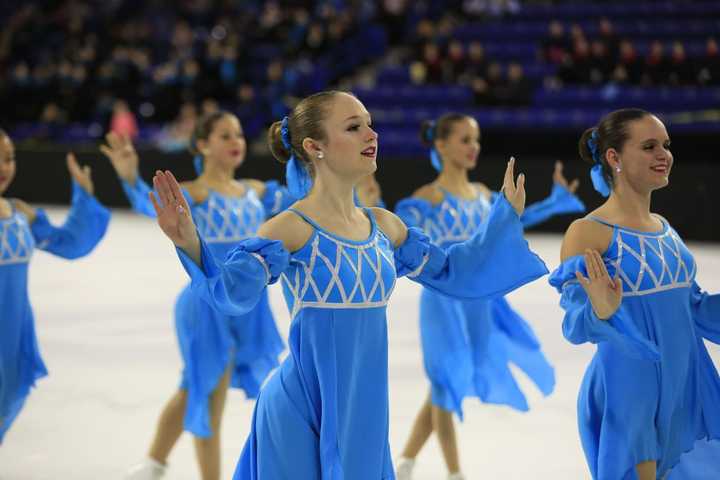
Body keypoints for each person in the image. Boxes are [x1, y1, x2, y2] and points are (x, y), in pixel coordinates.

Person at [148, 90, 548, 479]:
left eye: (370, 125)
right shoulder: (291, 227)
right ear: (314, 146)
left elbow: (456, 271)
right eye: (354, 127)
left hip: (364, 418)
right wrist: (190, 243)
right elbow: (233, 292)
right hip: (301, 410)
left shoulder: (386, 227)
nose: (371, 135)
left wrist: (502, 220)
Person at [102, 112, 293, 480]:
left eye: (238, 133)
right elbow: (152, 204)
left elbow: (303, 199)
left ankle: (153, 463)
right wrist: (129, 178)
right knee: (209, 394)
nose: (235, 141)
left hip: (246, 305)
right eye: (224, 135)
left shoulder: (257, 191)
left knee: (194, 387)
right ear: (202, 144)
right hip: (206, 305)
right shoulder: (196, 193)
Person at [393, 113, 585, 479]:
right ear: (441, 145)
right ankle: (455, 473)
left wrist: (557, 202)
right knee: (445, 378)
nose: (473, 147)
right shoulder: (426, 198)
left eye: (476, 140)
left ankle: (405, 461)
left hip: (479, 301)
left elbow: (515, 220)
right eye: (464, 139)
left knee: (446, 384)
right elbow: (401, 232)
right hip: (442, 300)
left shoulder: (483, 195)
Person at [549, 108, 720, 479]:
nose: (664, 154)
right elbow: (574, 321)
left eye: (666, 145)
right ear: (614, 157)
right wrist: (601, 310)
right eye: (649, 146)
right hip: (630, 382)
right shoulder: (588, 232)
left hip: (681, 381)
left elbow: (694, 308)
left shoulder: (664, 228)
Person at [0, 128, 110, 443]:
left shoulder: (19, 212)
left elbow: (69, 242)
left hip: (13, 337)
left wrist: (84, 195)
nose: (3, 168)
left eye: (8, 158)